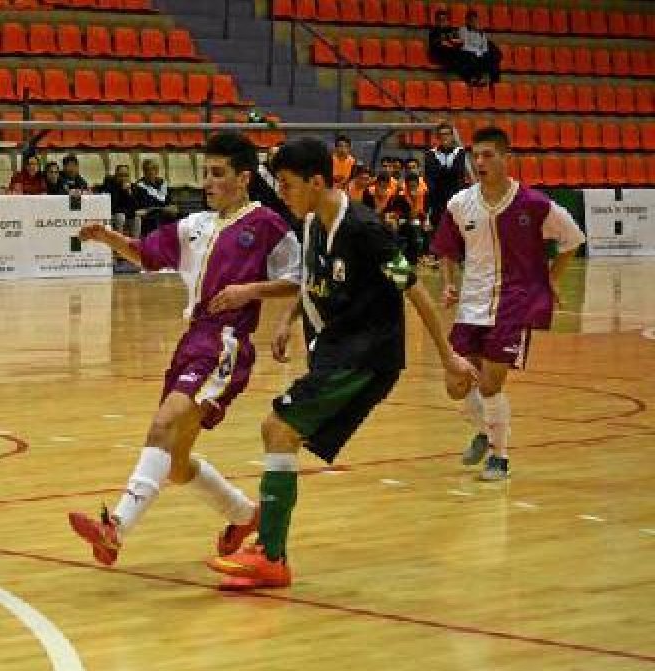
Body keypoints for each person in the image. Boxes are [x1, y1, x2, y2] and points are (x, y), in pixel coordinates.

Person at [206, 136, 478, 588]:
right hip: (334, 352)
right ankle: (267, 547)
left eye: (289, 185)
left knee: (278, 428)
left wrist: (448, 356)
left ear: (316, 181)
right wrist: (288, 320)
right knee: (281, 435)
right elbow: (309, 282)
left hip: (365, 356)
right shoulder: (312, 223)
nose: (284, 194)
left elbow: (413, 288)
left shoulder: (365, 230)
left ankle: (271, 556)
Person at [66, 132, 302, 567]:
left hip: (225, 342)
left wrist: (250, 291)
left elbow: (298, 278)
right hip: (191, 338)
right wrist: (107, 237)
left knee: (164, 423)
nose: (207, 182)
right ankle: (244, 515)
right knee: (174, 461)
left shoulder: (266, 223)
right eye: (205, 173)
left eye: (217, 174)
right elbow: (146, 254)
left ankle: (115, 527)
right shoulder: (194, 226)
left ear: (243, 178)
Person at [430, 127, 584, 481]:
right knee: (456, 384)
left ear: (506, 158)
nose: (480, 162)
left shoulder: (534, 203)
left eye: (488, 155)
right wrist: (450, 285)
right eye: (476, 156)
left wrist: (551, 280)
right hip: (472, 304)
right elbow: (446, 250)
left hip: (515, 303)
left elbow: (572, 239)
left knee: (489, 384)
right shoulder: (459, 203)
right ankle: (485, 431)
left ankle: (500, 458)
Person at [424, 122, 473, 248]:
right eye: (441, 134)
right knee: (438, 229)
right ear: (437, 137)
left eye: (447, 134)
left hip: (455, 196)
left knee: (457, 228)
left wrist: (441, 170)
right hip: (437, 198)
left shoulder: (459, 152)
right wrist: (447, 171)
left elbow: (458, 172)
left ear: (452, 136)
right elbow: (431, 175)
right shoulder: (430, 154)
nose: (444, 137)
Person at [133, 158, 180, 236]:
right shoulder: (140, 186)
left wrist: (172, 206)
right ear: (144, 172)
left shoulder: (162, 183)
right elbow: (145, 205)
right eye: (148, 169)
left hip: (163, 211)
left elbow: (168, 200)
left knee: (179, 215)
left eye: (154, 169)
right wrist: (162, 208)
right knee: (156, 218)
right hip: (149, 213)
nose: (151, 172)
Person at [458, 10, 501, 86]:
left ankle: (495, 84)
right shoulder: (462, 30)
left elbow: (484, 47)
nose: (473, 22)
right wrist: (477, 52)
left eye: (475, 20)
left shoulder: (481, 32)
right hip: (468, 54)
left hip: (480, 55)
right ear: (467, 21)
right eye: (471, 21)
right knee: (471, 57)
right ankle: (478, 78)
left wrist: (481, 53)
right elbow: (465, 46)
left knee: (493, 61)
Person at [98, 163, 139, 235]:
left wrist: (129, 193)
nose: (123, 178)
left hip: (127, 214)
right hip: (113, 214)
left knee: (137, 219)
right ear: (116, 175)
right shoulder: (110, 185)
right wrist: (120, 190)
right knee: (120, 216)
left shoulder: (132, 187)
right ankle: (118, 242)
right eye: (121, 175)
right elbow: (112, 206)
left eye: (126, 175)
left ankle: (134, 244)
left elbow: (135, 207)